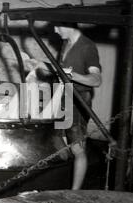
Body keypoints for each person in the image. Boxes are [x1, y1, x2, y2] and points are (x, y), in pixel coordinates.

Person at [28, 19, 102, 190]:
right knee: (59, 142)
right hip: (63, 95)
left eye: (57, 26)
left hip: (78, 99)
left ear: (69, 25)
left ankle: (74, 193)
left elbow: (96, 80)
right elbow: (61, 71)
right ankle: (60, 182)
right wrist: (40, 65)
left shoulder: (87, 47)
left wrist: (73, 76)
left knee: (77, 148)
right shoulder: (66, 44)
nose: (55, 30)